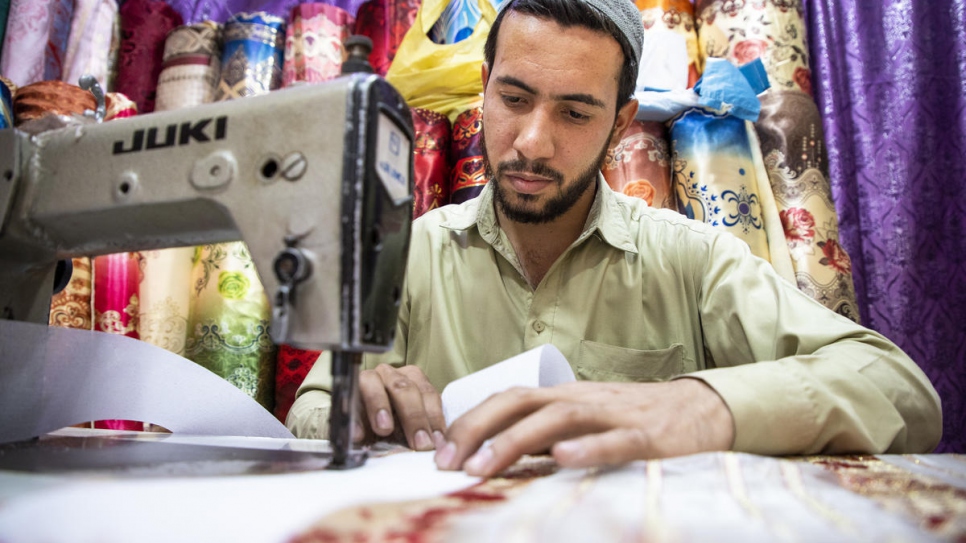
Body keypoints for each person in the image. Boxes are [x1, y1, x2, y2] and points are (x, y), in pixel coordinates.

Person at [287, 0, 942, 477]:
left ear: (620, 121)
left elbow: (899, 390)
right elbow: (308, 414)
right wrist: (350, 409)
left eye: (574, 112)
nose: (533, 142)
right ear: (484, 92)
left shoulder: (693, 258)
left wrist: (700, 405)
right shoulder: (409, 254)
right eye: (514, 99)